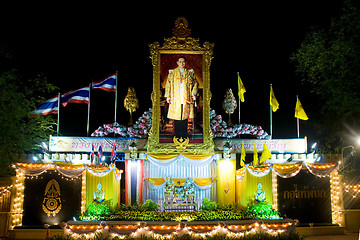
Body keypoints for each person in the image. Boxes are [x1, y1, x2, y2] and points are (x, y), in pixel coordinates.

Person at [164, 57, 198, 138]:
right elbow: (168, 85)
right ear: (177, 62)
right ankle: (177, 134)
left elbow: (195, 84)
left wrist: (193, 93)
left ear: (185, 63)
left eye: (183, 62)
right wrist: (168, 96)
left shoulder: (190, 73)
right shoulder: (172, 73)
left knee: (185, 116)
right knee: (177, 116)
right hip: (176, 97)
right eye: (180, 62)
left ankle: (184, 134)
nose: (182, 63)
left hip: (186, 97)